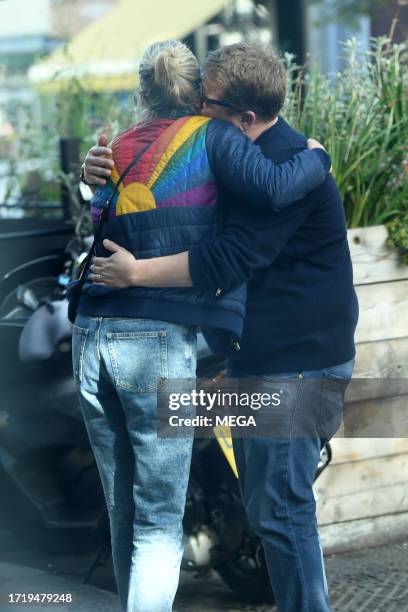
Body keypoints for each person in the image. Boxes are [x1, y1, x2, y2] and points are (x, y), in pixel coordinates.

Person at [85, 43, 358, 612]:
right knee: (268, 508)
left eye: (203, 101)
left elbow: (224, 258)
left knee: (280, 512)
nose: (192, 109)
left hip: (297, 362)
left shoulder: (284, 170)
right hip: (261, 357)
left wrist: (135, 273)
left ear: (245, 117)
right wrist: (97, 177)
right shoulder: (236, 154)